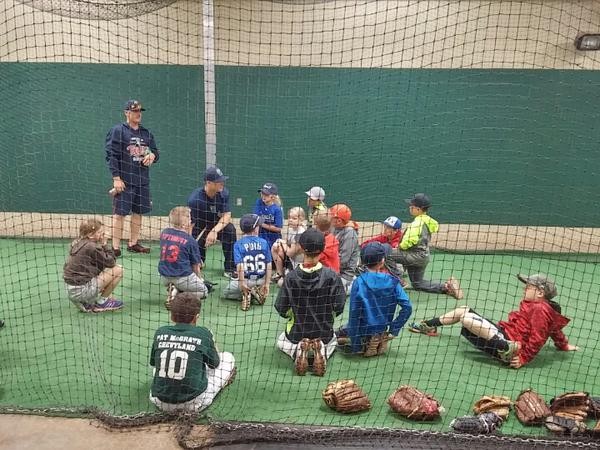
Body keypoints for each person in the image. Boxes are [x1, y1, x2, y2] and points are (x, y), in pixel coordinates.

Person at [409, 274, 579, 368]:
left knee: (466, 318)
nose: (524, 288)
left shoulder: (540, 309)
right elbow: (554, 329)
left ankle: (505, 348)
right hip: (505, 333)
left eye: (528, 286)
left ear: (540, 293)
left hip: (512, 344)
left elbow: (539, 337)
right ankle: (428, 326)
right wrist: (563, 345)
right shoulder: (538, 306)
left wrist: (523, 358)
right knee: (464, 309)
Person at [275, 228, 346, 376]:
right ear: (323, 249)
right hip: (324, 332)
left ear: (301, 248)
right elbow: (339, 306)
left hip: (297, 332)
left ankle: (298, 350)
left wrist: (294, 313)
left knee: (281, 341)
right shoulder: (332, 276)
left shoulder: (291, 277)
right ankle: (322, 350)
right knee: (333, 340)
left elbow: (281, 308)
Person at [149, 292, 236, 413]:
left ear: (172, 316)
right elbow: (215, 364)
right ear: (196, 317)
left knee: (157, 369)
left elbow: (153, 363)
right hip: (194, 403)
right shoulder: (203, 333)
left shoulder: (160, 332)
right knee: (228, 358)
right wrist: (211, 339)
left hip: (160, 401)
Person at [337, 243, 412, 357]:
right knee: (344, 336)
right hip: (383, 326)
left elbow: (354, 314)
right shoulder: (392, 281)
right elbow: (407, 307)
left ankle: (364, 341)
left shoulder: (359, 282)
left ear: (363, 261)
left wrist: (356, 345)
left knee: (336, 334)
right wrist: (393, 329)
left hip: (363, 327)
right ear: (382, 261)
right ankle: (380, 337)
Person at [105, 99, 159, 256]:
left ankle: (133, 243)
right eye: (134, 111)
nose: (138, 114)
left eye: (140, 111)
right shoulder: (118, 131)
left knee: (138, 213)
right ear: (126, 113)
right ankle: (115, 247)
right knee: (119, 214)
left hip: (142, 180)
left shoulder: (146, 133)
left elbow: (156, 153)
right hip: (125, 181)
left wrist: (152, 156)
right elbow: (111, 155)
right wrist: (116, 178)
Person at [387, 193, 463, 299]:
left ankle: (398, 280)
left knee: (386, 253)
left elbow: (410, 240)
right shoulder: (427, 220)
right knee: (418, 284)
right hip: (423, 257)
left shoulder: (417, 223)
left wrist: (400, 248)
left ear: (418, 209)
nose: (410, 207)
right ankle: (446, 287)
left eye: (412, 206)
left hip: (414, 256)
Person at [63, 219, 124, 312]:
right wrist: (104, 244)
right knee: (118, 270)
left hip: (71, 290)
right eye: (99, 232)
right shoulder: (91, 246)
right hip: (81, 291)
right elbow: (111, 262)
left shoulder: (77, 242)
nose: (102, 234)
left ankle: (84, 301)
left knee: (103, 270)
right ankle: (102, 303)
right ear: (90, 235)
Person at [187, 166, 237, 280]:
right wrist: (190, 244)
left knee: (230, 230)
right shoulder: (195, 200)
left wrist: (214, 231)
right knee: (198, 264)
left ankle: (230, 268)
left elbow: (227, 215)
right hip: (199, 227)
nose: (222, 183)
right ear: (208, 183)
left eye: (222, 181)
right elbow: (191, 224)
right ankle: (198, 260)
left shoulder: (223, 193)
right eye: (218, 181)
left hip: (216, 225)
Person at [158, 206, 209, 308]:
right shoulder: (190, 240)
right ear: (185, 223)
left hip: (164, 277)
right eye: (189, 218)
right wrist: (199, 280)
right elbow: (195, 266)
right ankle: (178, 295)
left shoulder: (164, 233)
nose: (191, 220)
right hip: (181, 277)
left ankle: (173, 288)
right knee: (203, 291)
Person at [223, 214, 272, 311]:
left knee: (226, 292)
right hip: (261, 280)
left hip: (246, 280)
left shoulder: (238, 244)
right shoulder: (264, 242)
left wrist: (242, 283)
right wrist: (267, 284)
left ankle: (246, 294)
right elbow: (269, 264)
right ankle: (254, 292)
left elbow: (240, 266)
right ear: (255, 229)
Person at [330, 204, 360, 294]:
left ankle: (353, 284)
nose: (329, 218)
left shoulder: (349, 234)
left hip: (345, 275)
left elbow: (343, 261)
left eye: (331, 217)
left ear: (339, 221)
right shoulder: (334, 228)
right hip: (333, 270)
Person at [271, 206, 306, 282]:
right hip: (290, 261)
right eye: (289, 217)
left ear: (301, 220)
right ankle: (279, 273)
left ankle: (286, 273)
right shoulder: (290, 230)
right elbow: (287, 243)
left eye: (294, 218)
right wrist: (281, 243)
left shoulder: (300, 233)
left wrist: (281, 242)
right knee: (275, 246)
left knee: (283, 283)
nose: (290, 220)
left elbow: (290, 253)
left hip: (299, 264)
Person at [253, 182, 284, 250]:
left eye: (266, 194)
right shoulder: (259, 202)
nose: (263, 196)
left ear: (273, 196)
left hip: (273, 238)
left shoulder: (277, 208)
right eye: (262, 193)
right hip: (261, 236)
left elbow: (278, 228)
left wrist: (262, 224)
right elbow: (255, 219)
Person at [313, 209, 340, 273]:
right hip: (333, 273)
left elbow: (317, 257)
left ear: (316, 224)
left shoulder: (317, 240)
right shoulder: (333, 240)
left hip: (325, 274)